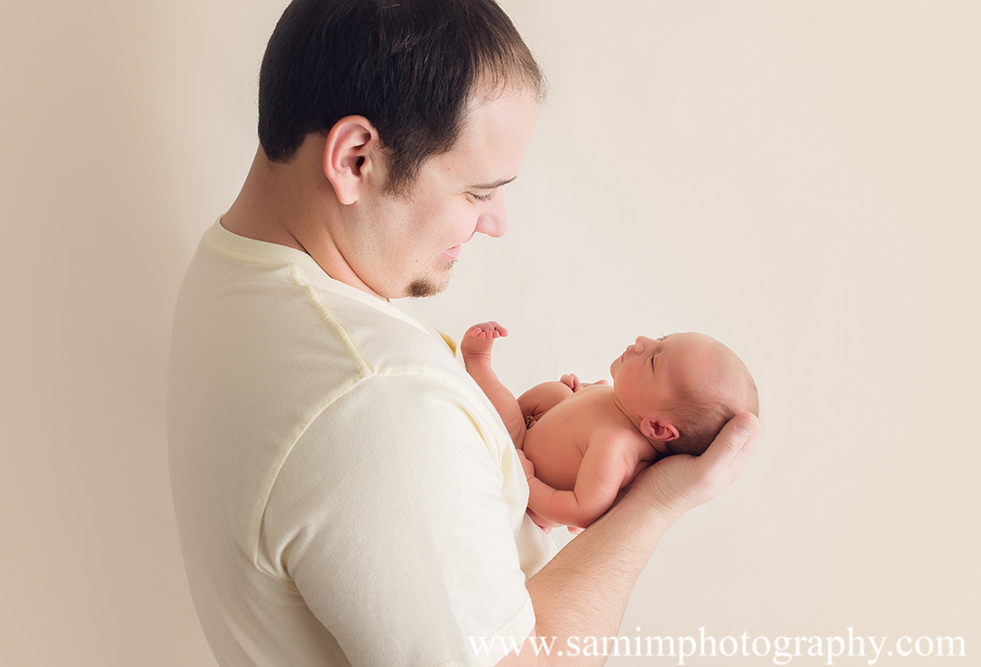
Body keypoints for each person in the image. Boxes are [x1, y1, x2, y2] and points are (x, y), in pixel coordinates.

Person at [167, 1, 763, 665]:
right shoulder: (376, 401)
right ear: (356, 158)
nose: (496, 221)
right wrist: (654, 505)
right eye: (477, 192)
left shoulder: (232, 270)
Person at [461, 322, 759, 531]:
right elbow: (588, 413)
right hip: (536, 433)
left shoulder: (615, 447)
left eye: (654, 360)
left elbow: (582, 511)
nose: (643, 340)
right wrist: (580, 392)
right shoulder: (625, 403)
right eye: (662, 338)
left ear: (656, 428)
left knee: (509, 416)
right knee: (555, 393)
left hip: (529, 476)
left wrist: (529, 482)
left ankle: (477, 361)